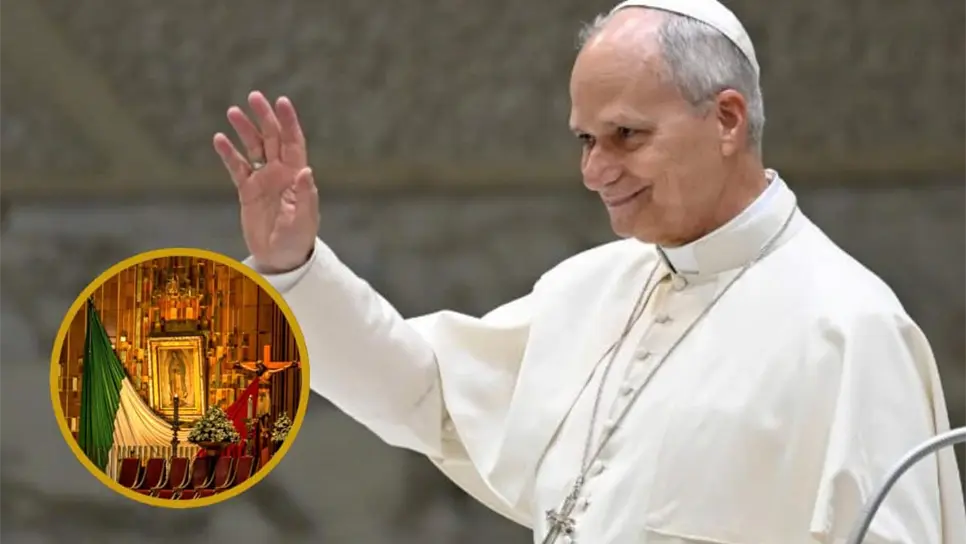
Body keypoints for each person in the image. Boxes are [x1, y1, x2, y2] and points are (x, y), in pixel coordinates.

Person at [213, 0, 966, 542]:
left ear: (727, 120)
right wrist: (293, 265)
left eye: (626, 135)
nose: (595, 171)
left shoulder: (850, 330)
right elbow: (429, 395)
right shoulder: (596, 285)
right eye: (585, 140)